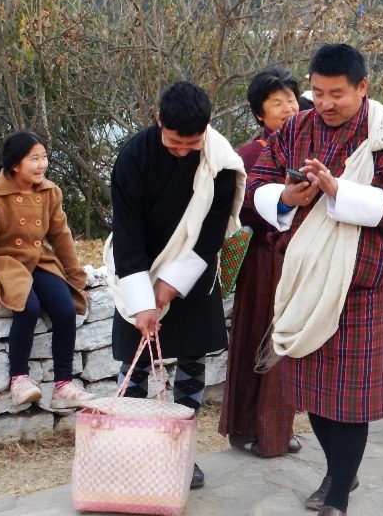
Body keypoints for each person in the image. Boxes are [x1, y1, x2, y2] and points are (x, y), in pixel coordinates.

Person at [246, 44, 383, 516]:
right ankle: (339, 471)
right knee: (313, 392)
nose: (325, 103)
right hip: (306, 278)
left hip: (361, 282)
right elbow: (257, 182)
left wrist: (337, 190)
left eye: (337, 94)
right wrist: (285, 196)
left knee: (349, 397)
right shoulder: (295, 129)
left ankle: (339, 495)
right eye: (318, 92)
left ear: (362, 87)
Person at [107, 82, 246, 490]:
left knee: (191, 358)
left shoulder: (221, 161)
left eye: (192, 143)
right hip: (139, 264)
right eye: (174, 142)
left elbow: (212, 232)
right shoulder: (133, 157)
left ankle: (182, 451)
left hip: (193, 264)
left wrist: (172, 284)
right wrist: (142, 300)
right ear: (158, 121)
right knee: (134, 361)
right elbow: (127, 232)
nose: (184, 150)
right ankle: (129, 451)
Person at [0, 131, 95, 410]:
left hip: (39, 260)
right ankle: (19, 379)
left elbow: (61, 237)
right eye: (34, 159)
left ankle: (64, 385)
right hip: (7, 263)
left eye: (44, 157)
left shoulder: (50, 191)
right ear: (15, 164)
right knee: (29, 307)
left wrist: (76, 280)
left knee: (65, 309)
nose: (42, 165)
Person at [219, 66, 304, 457]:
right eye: (276, 102)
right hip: (264, 259)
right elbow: (239, 209)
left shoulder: (307, 146)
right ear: (259, 112)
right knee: (257, 338)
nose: (287, 108)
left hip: (299, 258)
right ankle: (245, 427)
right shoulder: (250, 154)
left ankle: (279, 427)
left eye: (291, 99)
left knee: (289, 343)